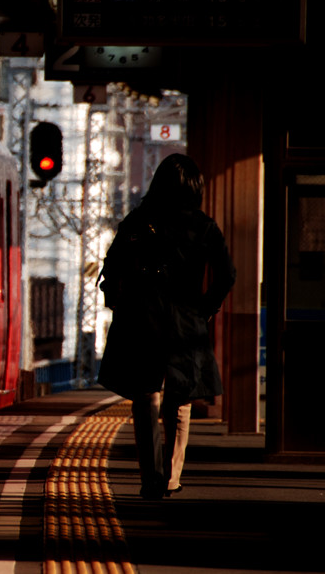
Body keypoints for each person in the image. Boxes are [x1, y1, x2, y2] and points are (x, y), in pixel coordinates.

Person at [97, 154, 235, 500]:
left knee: (147, 398)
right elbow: (226, 274)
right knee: (181, 399)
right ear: (196, 189)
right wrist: (205, 307)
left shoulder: (137, 221)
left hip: (142, 319)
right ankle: (171, 477)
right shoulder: (204, 227)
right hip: (186, 321)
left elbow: (111, 269)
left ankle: (151, 477)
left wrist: (118, 302)